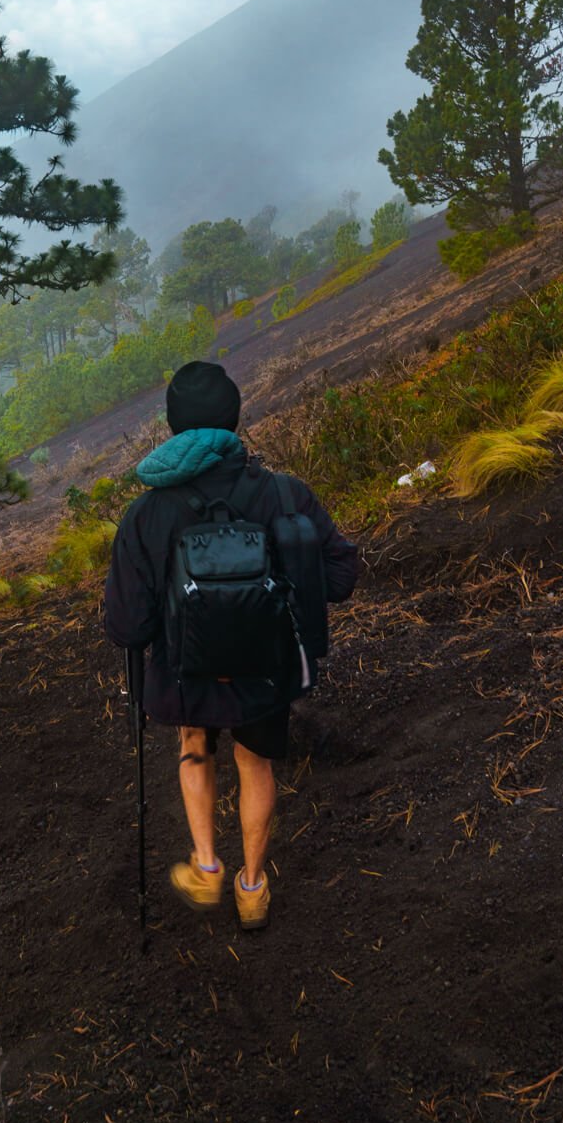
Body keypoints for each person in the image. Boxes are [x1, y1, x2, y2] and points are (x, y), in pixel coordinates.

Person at [104, 359, 359, 931]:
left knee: (195, 748)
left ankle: (206, 864)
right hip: (263, 675)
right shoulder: (283, 492)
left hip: (187, 679)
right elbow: (340, 577)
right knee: (255, 764)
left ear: (173, 426)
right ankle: (251, 887)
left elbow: (128, 626)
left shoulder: (146, 514)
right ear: (235, 418)